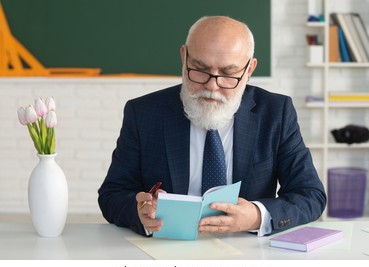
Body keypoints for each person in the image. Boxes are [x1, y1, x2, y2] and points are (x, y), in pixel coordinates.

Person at [98, 16, 326, 237]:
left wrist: (256, 216)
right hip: (167, 246)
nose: (211, 86)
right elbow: (112, 195)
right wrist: (140, 213)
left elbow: (311, 195)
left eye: (228, 74)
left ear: (249, 69)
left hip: (247, 252)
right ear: (184, 56)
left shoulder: (276, 112)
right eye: (199, 69)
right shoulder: (143, 113)